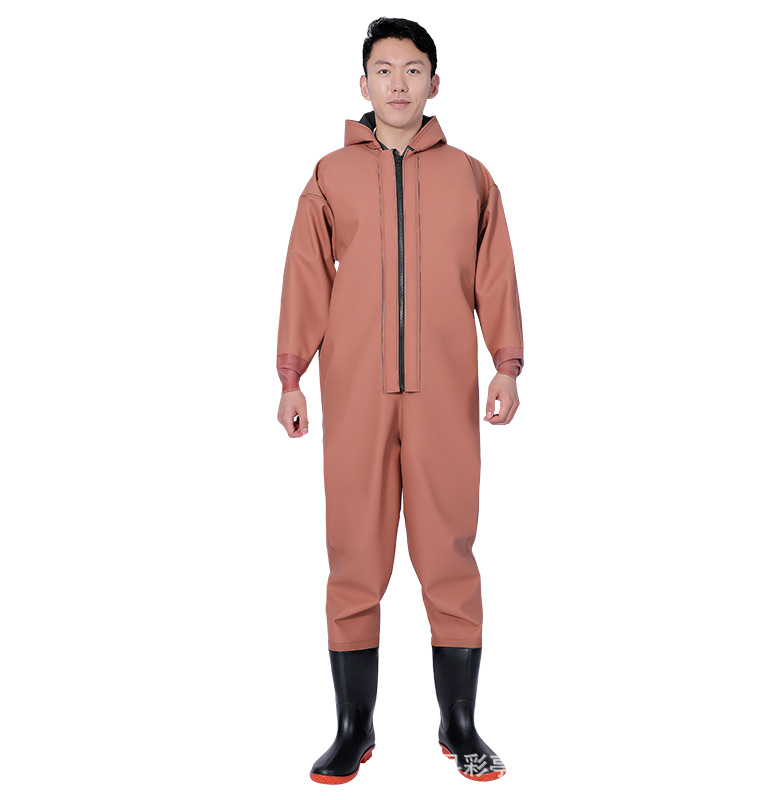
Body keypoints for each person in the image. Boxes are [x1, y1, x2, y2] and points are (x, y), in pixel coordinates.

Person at [276, 17, 524, 784]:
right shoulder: (329, 175)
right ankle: (354, 727)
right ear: (363, 84)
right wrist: (291, 376)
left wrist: (506, 365)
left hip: (445, 394)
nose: (398, 83)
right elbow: (306, 275)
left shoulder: (471, 177)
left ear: (434, 84)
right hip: (354, 393)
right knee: (354, 553)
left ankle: (460, 723)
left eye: (413, 70)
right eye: (383, 70)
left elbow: (496, 275)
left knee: (449, 553)